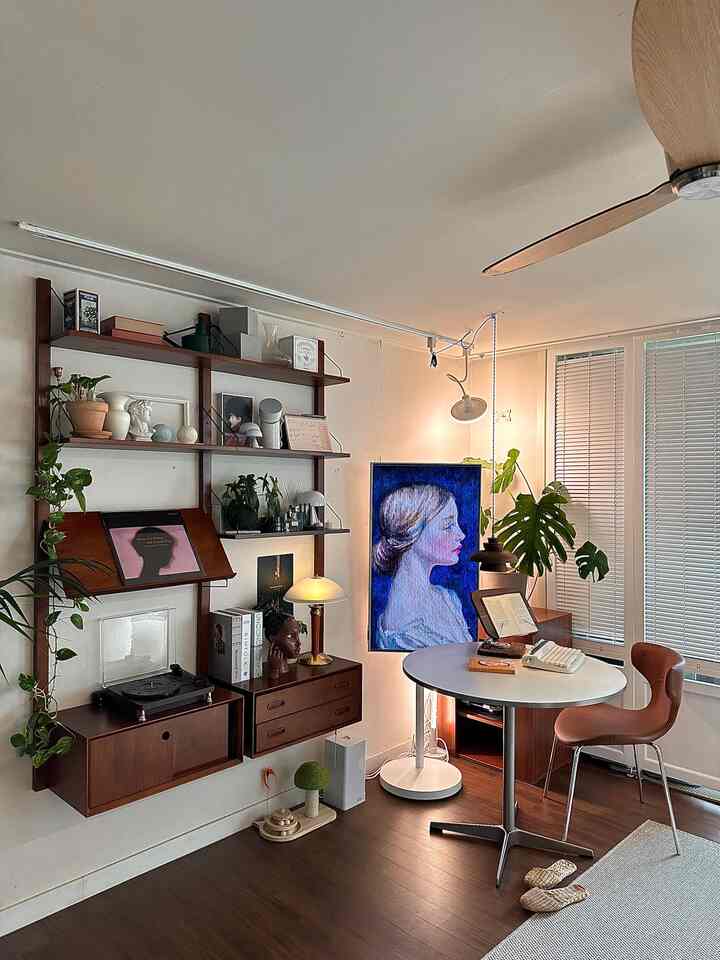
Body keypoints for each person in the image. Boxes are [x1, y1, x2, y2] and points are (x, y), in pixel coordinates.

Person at [373, 484, 471, 650]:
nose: (461, 534)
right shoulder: (401, 623)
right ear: (412, 531)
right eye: (448, 525)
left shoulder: (448, 598)